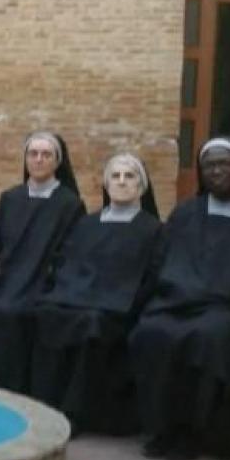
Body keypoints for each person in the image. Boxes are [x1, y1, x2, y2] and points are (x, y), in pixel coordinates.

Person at [129, 137, 230, 460]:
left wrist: (229, 295)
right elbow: (162, 259)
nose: (216, 171)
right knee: (151, 332)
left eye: (225, 164)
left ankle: (196, 434)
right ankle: (164, 429)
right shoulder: (186, 212)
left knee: (206, 338)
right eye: (209, 165)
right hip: (180, 300)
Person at [29, 153, 161, 435]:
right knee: (47, 314)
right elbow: (67, 262)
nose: (122, 182)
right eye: (115, 176)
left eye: (130, 176)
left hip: (121, 308)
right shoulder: (87, 224)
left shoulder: (153, 230)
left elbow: (153, 275)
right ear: (105, 184)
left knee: (91, 324)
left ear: (142, 186)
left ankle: (74, 413)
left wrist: (127, 300)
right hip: (77, 297)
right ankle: (45, 405)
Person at [0, 131, 85, 393]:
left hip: (41, 280)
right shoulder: (10, 198)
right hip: (3, 275)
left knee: (14, 314)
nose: (38, 160)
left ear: (58, 162)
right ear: (25, 160)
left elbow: (72, 251)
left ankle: (12, 388)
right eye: (33, 154)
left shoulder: (69, 205)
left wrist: (49, 276)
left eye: (46, 155)